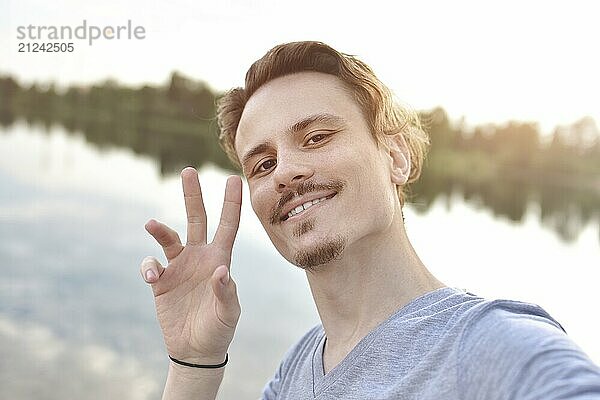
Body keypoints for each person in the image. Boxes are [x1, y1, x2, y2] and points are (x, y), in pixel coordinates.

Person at [140, 41, 600, 399]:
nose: (284, 171)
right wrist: (193, 364)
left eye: (317, 137)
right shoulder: (296, 372)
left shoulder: (489, 346)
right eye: (262, 164)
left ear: (395, 157)